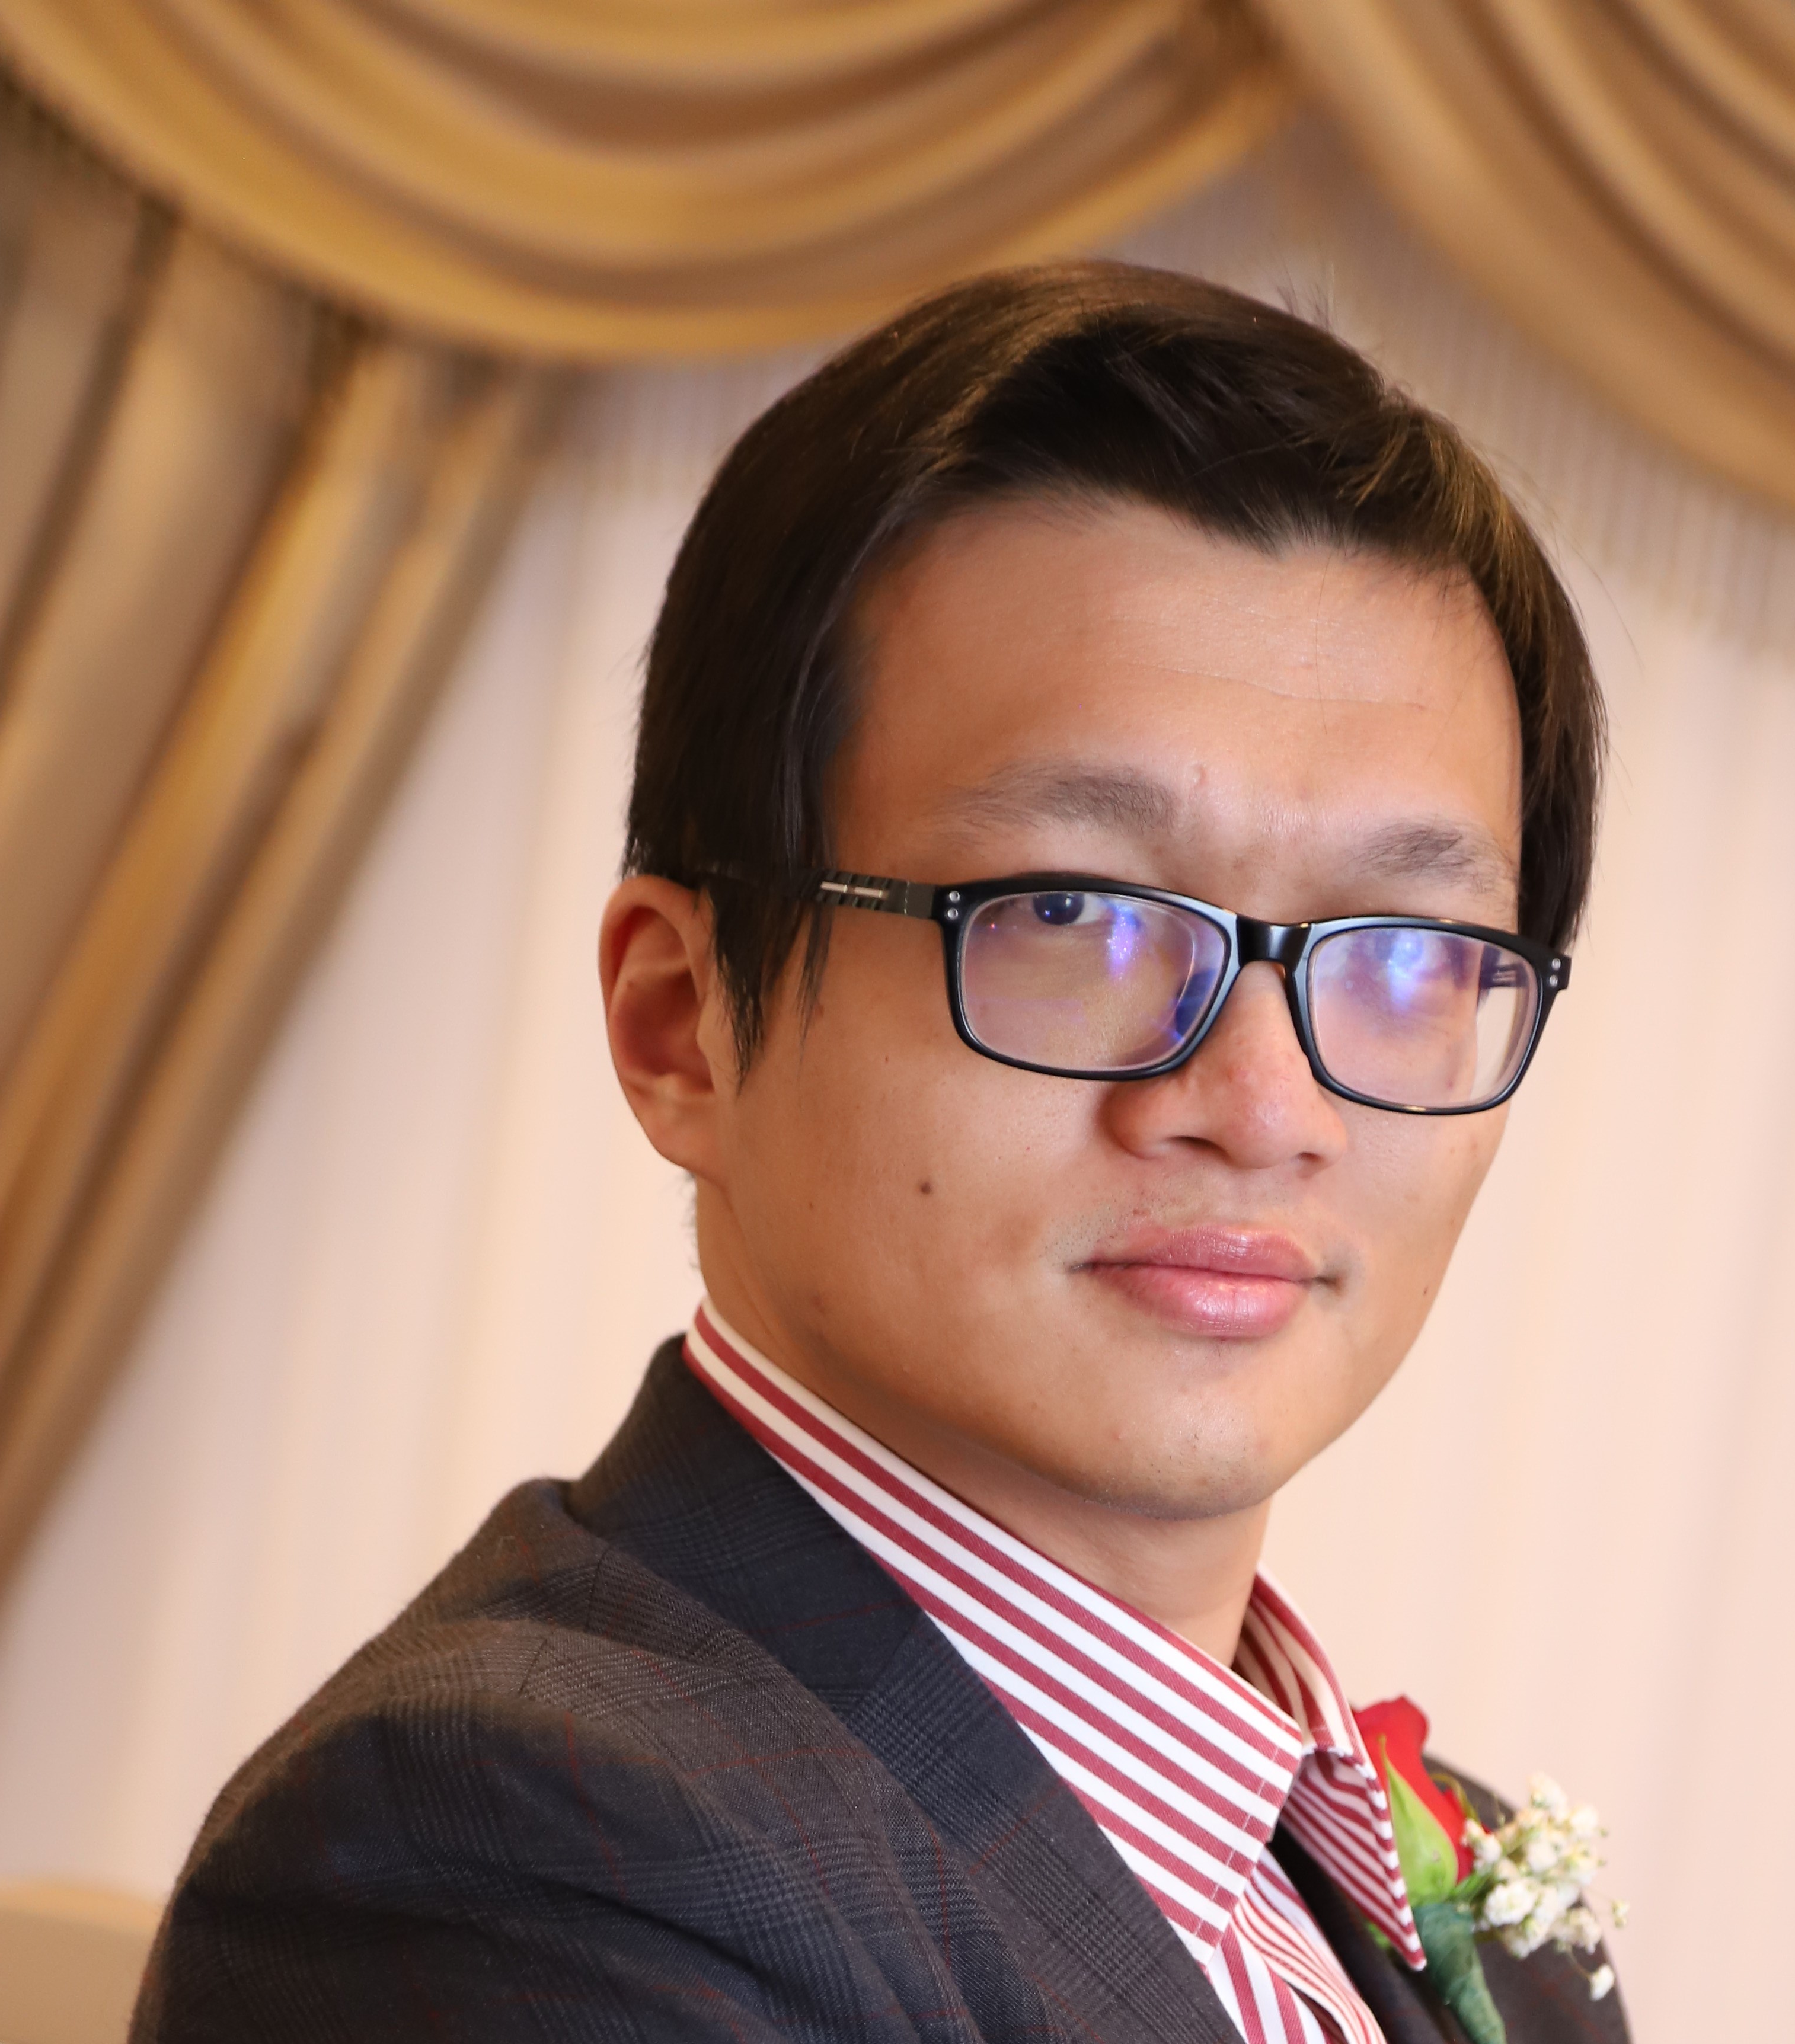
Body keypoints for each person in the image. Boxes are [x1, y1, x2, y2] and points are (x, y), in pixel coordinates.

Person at [136, 262, 1618, 2043]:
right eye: (1072, 910)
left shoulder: (1456, 1897)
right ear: (679, 1021)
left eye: (1397, 950)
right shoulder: (499, 1843)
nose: (1262, 1101)